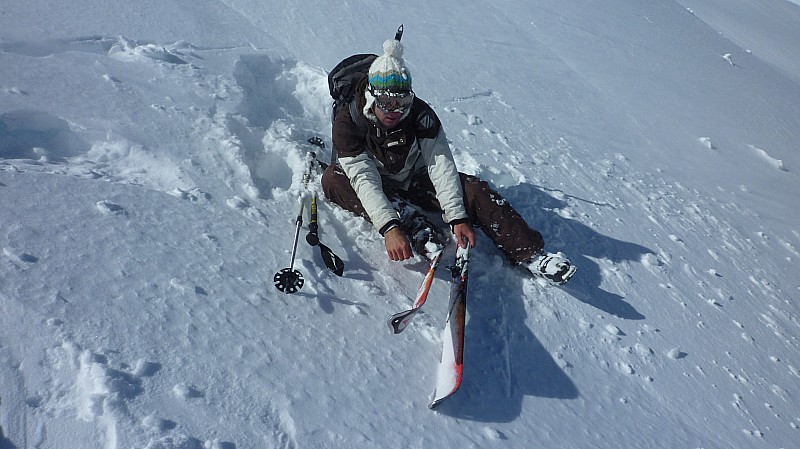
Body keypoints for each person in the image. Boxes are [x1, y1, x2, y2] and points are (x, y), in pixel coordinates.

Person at [321, 37, 576, 285]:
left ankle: (529, 253)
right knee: (333, 179)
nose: (394, 111)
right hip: (375, 180)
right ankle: (411, 222)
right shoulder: (347, 122)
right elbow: (363, 177)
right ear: (372, 96)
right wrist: (390, 227)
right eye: (386, 102)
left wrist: (457, 216)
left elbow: (440, 165)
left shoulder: (420, 115)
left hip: (414, 178)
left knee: (474, 190)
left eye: (402, 102)